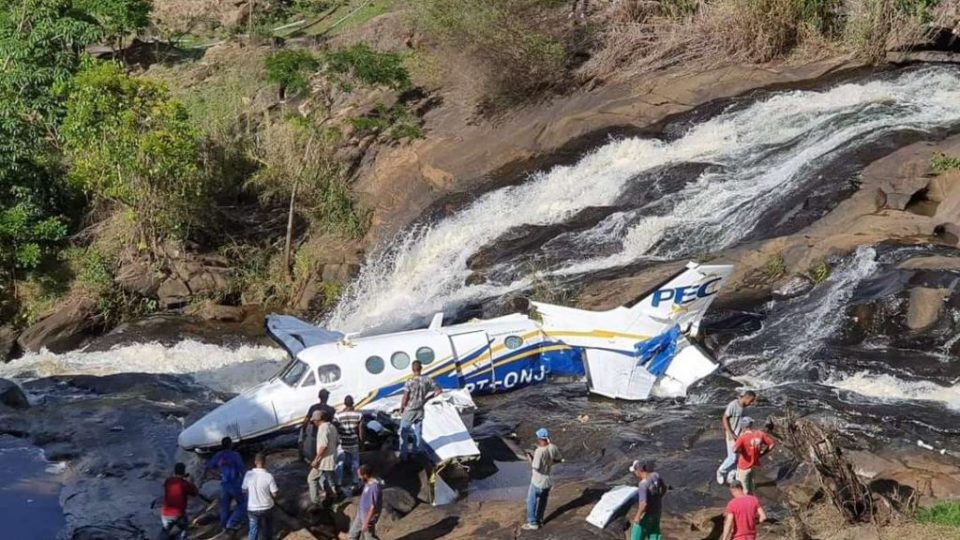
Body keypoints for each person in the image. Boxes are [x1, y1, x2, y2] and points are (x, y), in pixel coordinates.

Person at [522, 428, 563, 531]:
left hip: (537, 481)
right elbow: (558, 459)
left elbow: (535, 467)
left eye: (538, 438)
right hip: (547, 481)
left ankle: (532, 523)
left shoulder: (539, 451)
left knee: (531, 502)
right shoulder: (553, 447)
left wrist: (529, 458)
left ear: (540, 438)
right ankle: (540, 520)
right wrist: (550, 463)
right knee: (543, 501)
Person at [398, 360, 441, 460]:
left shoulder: (410, 381)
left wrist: (402, 407)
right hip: (420, 409)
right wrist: (427, 399)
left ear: (412, 369)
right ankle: (415, 452)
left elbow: (405, 397)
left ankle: (403, 455)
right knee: (418, 431)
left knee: (403, 432)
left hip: (410, 409)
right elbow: (439, 390)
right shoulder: (427, 379)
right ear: (421, 368)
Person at [157, 462, 211, 540]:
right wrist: (189, 482)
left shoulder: (168, 481)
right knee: (185, 528)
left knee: (165, 530)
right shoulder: (184, 484)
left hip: (165, 513)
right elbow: (194, 493)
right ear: (184, 472)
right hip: (178, 513)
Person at [203, 437, 246, 532]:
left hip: (224, 484)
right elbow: (242, 470)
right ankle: (232, 522)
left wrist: (217, 475)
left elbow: (209, 466)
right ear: (231, 445)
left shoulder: (218, 455)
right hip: (235, 483)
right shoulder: (235, 455)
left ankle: (223, 526)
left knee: (224, 507)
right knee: (243, 503)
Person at [717, 390, 757, 485]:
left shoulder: (745, 407)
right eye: (751, 401)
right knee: (732, 457)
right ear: (746, 397)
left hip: (740, 436)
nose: (751, 403)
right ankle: (720, 471)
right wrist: (730, 433)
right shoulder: (733, 405)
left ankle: (731, 476)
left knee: (739, 458)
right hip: (732, 435)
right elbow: (724, 418)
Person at [733, 417, 775, 495]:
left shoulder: (742, 437)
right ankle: (752, 501)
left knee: (743, 488)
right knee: (751, 486)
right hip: (753, 464)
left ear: (742, 427)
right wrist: (762, 453)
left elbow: (734, 449)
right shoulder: (759, 434)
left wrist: (742, 451)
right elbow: (772, 444)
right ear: (751, 425)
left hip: (743, 466)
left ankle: (745, 505)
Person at [242, 452, 279, 540]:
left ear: (255, 462)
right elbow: (275, 493)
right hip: (267, 507)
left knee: (253, 529)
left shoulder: (248, 474)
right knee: (268, 528)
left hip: (252, 508)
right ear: (265, 462)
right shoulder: (269, 476)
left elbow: (243, 490)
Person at [629, 461, 667, 540]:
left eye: (635, 471)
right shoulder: (656, 475)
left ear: (639, 470)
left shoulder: (643, 484)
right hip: (657, 512)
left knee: (636, 536)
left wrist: (637, 517)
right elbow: (664, 488)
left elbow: (643, 504)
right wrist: (658, 497)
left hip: (647, 515)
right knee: (654, 535)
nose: (635, 473)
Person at [308, 409, 339, 505]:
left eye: (314, 421)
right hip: (332, 457)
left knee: (311, 478)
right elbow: (337, 442)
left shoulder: (323, 428)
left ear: (318, 419)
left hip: (323, 460)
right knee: (329, 480)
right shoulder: (332, 426)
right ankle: (333, 497)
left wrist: (316, 459)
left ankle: (315, 502)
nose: (313, 423)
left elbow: (323, 446)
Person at [335, 395, 365, 491]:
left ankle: (338, 484)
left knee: (339, 464)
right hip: (353, 442)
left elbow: (336, 430)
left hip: (342, 443)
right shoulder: (359, 415)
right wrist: (362, 442)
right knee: (355, 463)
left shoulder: (338, 415)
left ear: (344, 403)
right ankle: (355, 483)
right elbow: (361, 430)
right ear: (353, 403)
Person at [348, 464, 383, 540]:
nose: (359, 477)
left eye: (360, 475)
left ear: (365, 475)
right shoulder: (367, 483)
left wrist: (366, 522)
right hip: (361, 514)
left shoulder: (374, 487)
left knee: (369, 537)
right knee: (352, 535)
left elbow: (373, 506)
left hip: (368, 517)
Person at [301, 389, 336, 460]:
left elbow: (306, 421)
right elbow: (332, 424)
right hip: (326, 435)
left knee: (314, 455)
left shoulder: (313, 408)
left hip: (315, 435)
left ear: (319, 397)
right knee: (325, 456)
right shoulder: (331, 409)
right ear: (327, 398)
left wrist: (304, 432)